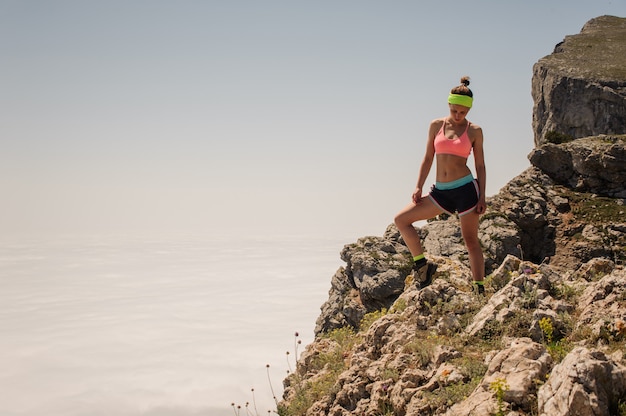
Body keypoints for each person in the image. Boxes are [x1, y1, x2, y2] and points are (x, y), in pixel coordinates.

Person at [394, 76, 487, 293]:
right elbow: (427, 158)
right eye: (455, 110)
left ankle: (479, 289)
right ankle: (423, 266)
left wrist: (482, 196)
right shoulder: (436, 125)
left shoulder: (475, 131)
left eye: (463, 112)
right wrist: (418, 186)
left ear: (469, 110)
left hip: (466, 190)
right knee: (401, 220)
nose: (458, 115)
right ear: (449, 105)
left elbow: (480, 165)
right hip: (441, 192)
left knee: (470, 240)